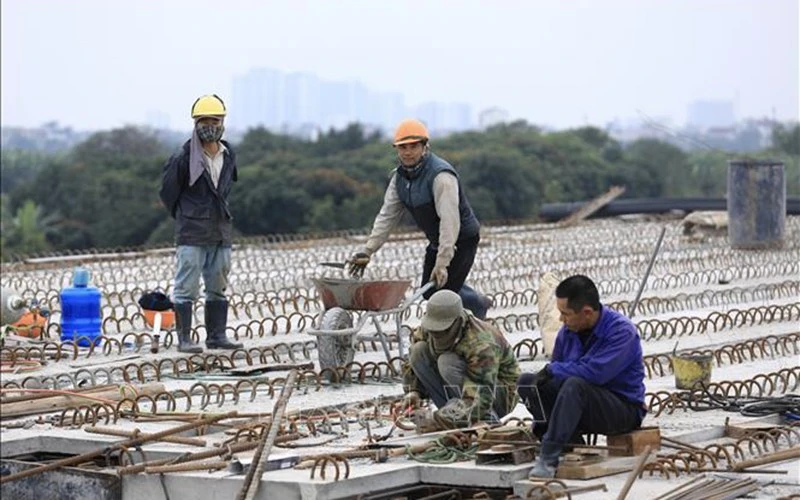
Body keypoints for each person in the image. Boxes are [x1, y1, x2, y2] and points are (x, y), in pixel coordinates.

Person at [347, 119, 491, 319]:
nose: (408, 152)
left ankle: (476, 307)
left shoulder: (441, 176)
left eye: (413, 146)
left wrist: (442, 263)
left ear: (425, 147)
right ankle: (477, 300)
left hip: (461, 239)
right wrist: (367, 250)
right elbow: (387, 216)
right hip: (436, 240)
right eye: (403, 147)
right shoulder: (399, 178)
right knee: (429, 291)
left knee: (442, 296)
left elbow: (450, 222)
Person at [516, 275, 646, 478]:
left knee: (575, 385)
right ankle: (566, 442)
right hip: (580, 404)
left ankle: (549, 457)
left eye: (565, 314)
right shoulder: (568, 331)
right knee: (527, 382)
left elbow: (595, 373)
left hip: (621, 409)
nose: (561, 319)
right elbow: (557, 372)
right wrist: (544, 380)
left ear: (586, 312)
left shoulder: (621, 331)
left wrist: (553, 370)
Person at [159, 94, 243, 353]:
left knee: (218, 284)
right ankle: (184, 339)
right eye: (204, 121)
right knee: (186, 286)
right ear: (195, 123)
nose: (210, 126)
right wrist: (188, 215)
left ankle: (216, 336)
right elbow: (168, 193)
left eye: (214, 121)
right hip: (192, 231)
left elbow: (224, 190)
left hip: (220, 229)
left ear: (222, 122)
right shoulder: (183, 157)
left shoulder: (228, 154)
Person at [400, 289, 520, 429]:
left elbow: (481, 397)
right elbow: (413, 360)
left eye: (443, 331)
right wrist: (414, 392)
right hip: (463, 392)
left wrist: (436, 420)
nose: (437, 336)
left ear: (458, 322)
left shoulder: (481, 344)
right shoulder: (429, 327)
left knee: (446, 362)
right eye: (434, 331)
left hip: (497, 394)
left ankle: (483, 419)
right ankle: (452, 414)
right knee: (418, 350)